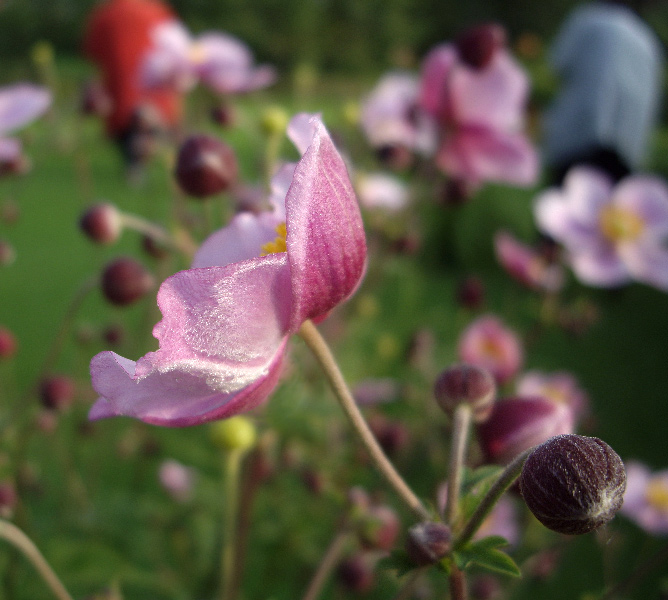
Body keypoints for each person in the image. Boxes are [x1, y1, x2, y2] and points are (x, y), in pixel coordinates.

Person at [543, 1, 664, 183]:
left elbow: (558, 64)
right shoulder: (648, 42)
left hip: (580, 132)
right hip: (628, 144)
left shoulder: (589, 18)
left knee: (564, 201)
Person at [83, 0, 183, 169]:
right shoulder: (158, 10)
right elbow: (177, 45)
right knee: (153, 124)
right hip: (156, 86)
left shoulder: (105, 13)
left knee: (126, 127)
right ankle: (153, 163)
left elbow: (92, 50)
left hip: (121, 83)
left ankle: (135, 166)